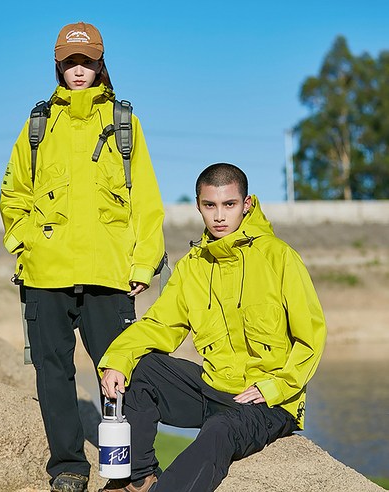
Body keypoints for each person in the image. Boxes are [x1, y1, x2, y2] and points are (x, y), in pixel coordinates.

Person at [0, 21, 165, 492]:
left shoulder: (124, 122)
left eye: (86, 61)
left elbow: (146, 203)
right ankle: (69, 466)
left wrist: (141, 265)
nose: (78, 69)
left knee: (121, 371)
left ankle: (129, 469)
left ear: (99, 63)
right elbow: (13, 194)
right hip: (45, 273)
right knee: (53, 372)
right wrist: (25, 244)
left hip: (108, 275)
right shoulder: (38, 123)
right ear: (58, 64)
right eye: (70, 61)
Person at [98, 163, 327, 492]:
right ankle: (139, 477)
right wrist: (117, 360)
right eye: (210, 205)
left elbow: (311, 337)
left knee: (219, 430)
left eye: (229, 205)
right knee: (140, 367)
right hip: (214, 389)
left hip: (269, 402)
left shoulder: (279, 257)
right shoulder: (192, 267)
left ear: (246, 204)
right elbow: (159, 325)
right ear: (198, 205)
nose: (219, 216)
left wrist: (275, 388)